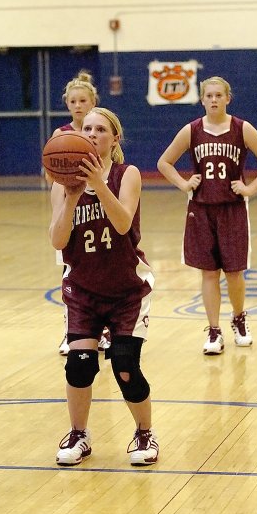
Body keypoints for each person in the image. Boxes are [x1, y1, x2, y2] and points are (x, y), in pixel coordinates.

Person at [49, 107, 159, 466]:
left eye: (100, 129)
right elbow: (57, 240)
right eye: (87, 129)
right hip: (83, 289)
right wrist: (71, 197)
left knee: (125, 366)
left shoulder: (127, 174)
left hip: (127, 289)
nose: (93, 134)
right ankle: (79, 434)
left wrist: (97, 185)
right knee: (79, 365)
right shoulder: (61, 183)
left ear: (114, 139)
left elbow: (123, 224)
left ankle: (144, 432)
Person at [157, 76, 257, 355]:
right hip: (201, 208)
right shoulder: (191, 130)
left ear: (227, 98)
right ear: (202, 100)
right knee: (209, 272)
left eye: (218, 95)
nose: (213, 100)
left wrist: (251, 188)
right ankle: (213, 330)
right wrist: (184, 184)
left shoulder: (242, 128)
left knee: (234, 272)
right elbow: (164, 162)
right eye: (209, 95)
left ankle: (239, 318)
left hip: (232, 209)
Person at [51, 71, 111, 356]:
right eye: (73, 101)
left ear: (93, 102)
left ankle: (105, 330)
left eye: (83, 100)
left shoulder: (101, 132)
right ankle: (71, 330)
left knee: (106, 270)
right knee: (70, 273)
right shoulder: (60, 136)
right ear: (67, 103)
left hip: (98, 209)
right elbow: (51, 174)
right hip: (71, 205)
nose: (77, 105)